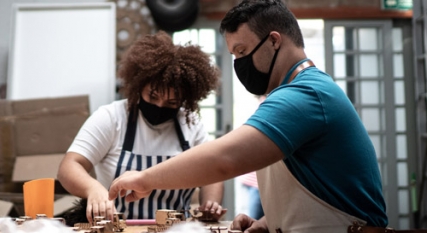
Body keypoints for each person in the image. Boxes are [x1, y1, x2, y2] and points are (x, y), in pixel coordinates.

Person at [107, 0, 388, 232]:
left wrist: (144, 180)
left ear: (274, 41)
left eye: (242, 51)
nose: (239, 64)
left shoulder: (305, 95)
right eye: (233, 55)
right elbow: (324, 187)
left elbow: (223, 160)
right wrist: (269, 222)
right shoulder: (300, 92)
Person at [57, 31, 224, 223]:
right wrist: (93, 189)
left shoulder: (191, 123)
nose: (160, 106)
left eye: (171, 102)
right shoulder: (111, 117)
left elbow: (211, 174)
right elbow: (69, 166)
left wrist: (210, 203)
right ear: (139, 85)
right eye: (152, 97)